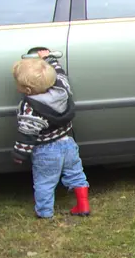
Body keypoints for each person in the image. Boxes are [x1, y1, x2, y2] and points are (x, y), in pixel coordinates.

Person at [11, 49, 90, 218]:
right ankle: (83, 205)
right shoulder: (62, 90)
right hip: (68, 144)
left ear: (27, 90)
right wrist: (50, 58)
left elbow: (27, 133)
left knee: (45, 182)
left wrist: (19, 153)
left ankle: (45, 212)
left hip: (46, 151)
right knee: (76, 173)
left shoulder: (30, 107)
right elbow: (60, 74)